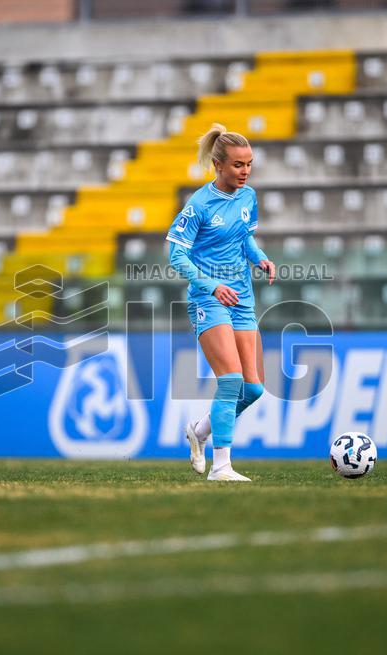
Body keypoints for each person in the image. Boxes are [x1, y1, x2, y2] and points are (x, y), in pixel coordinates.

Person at [166, 124, 276, 481]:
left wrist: (260, 257)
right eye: (238, 165)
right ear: (218, 164)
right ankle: (221, 467)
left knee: (254, 388)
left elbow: (244, 239)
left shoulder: (248, 197)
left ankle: (198, 432)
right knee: (230, 381)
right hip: (208, 298)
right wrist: (212, 286)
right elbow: (176, 256)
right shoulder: (198, 204)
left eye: (249, 164)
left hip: (242, 298)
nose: (245, 171)